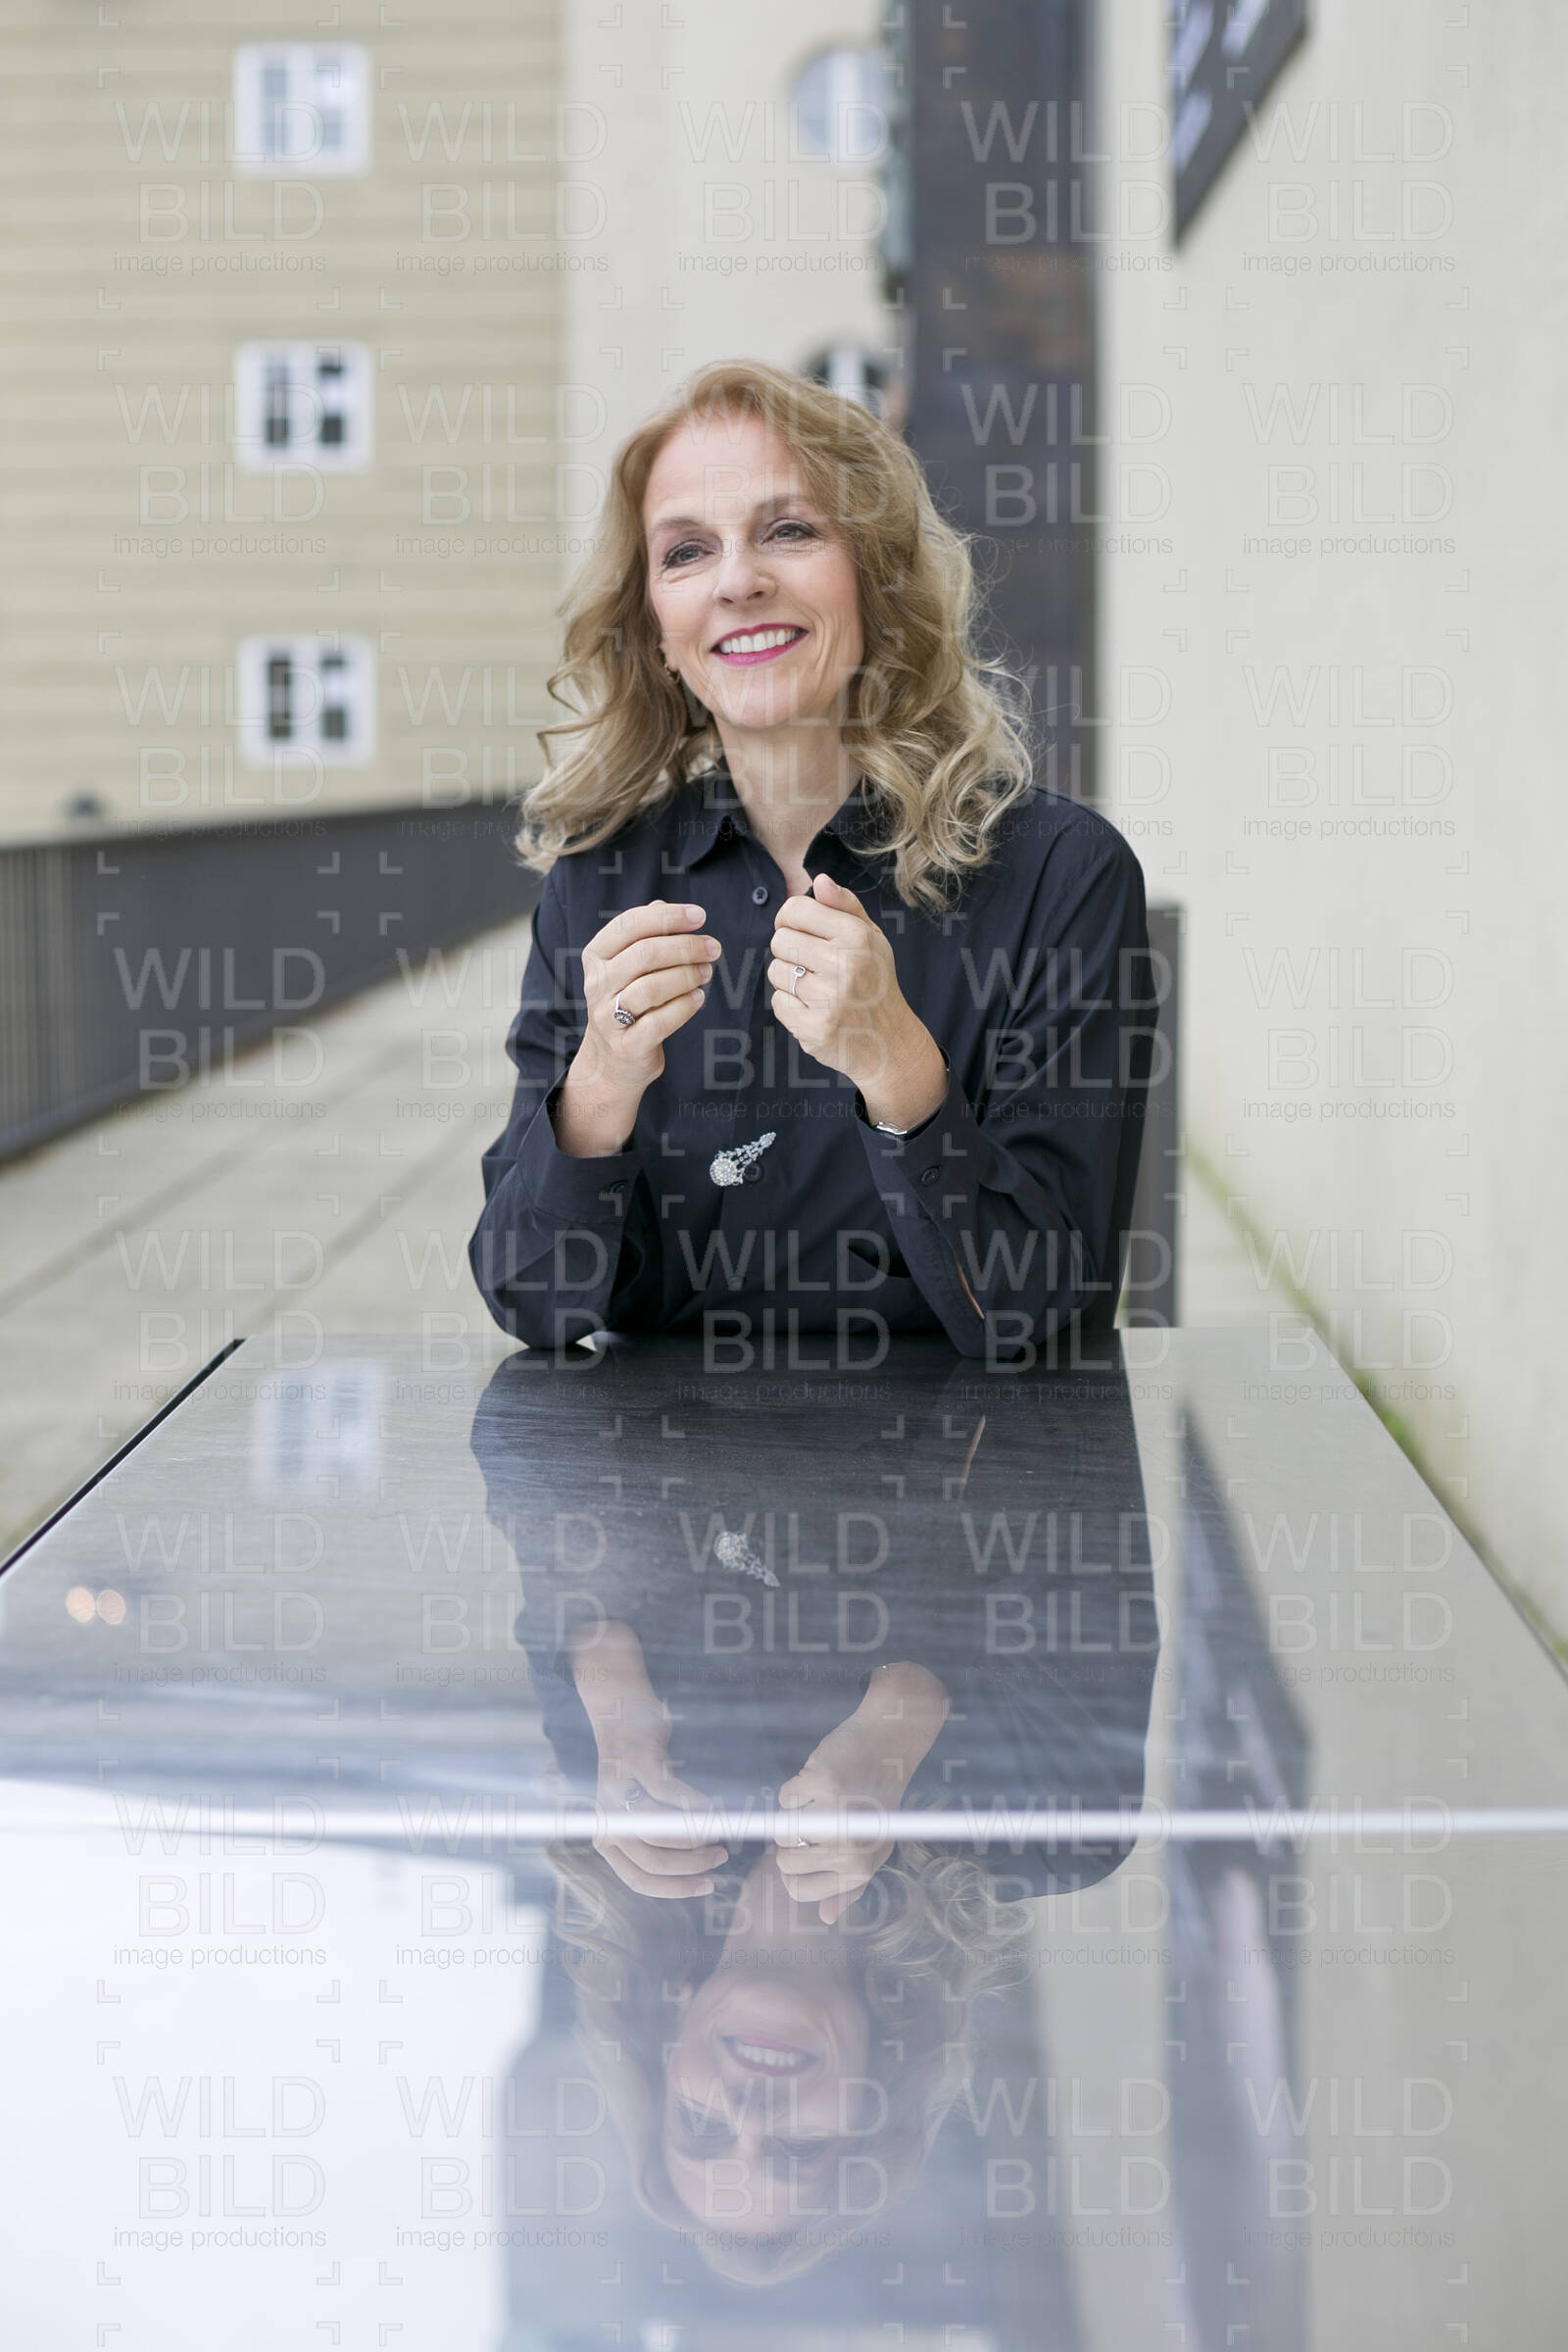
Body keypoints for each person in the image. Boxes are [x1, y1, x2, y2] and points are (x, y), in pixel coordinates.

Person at [468, 358, 1154, 1363]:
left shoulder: (1061, 875)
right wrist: (600, 1087)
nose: (738, 581)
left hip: (967, 1464)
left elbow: (1043, 1315)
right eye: (686, 551)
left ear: (874, 576)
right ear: (657, 630)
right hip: (662, 1462)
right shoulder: (597, 884)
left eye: (788, 531)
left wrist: (897, 1065)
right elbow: (531, 1301)